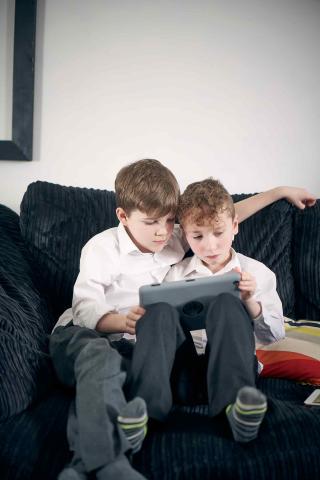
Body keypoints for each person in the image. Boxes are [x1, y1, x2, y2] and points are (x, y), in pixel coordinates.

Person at [50, 159, 316, 479]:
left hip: (136, 343)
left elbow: (216, 218)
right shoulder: (101, 249)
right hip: (90, 332)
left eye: (169, 220)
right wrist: (122, 323)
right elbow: (84, 308)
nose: (162, 231)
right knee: (100, 362)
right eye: (151, 222)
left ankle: (157, 420)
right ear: (123, 216)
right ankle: (98, 464)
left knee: (136, 355)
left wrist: (278, 192)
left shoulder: (174, 240)